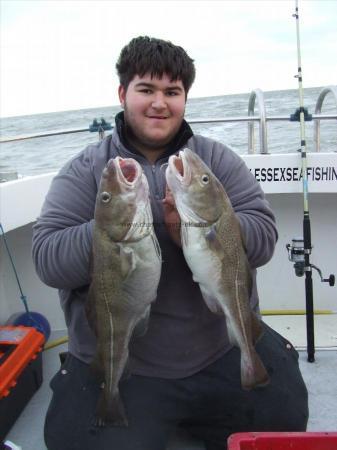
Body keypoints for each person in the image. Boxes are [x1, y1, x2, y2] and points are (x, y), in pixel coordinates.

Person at [32, 36, 308, 450]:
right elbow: (47, 258)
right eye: (146, 90)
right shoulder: (87, 171)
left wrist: (204, 225)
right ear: (123, 93)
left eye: (172, 92)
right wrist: (112, 226)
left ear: (184, 99)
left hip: (217, 350)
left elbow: (264, 239)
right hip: (127, 361)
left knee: (284, 417)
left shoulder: (214, 162)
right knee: (71, 440)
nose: (160, 103)